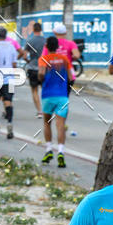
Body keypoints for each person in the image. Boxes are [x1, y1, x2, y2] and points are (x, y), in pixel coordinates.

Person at [38, 35, 71, 168]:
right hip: (62, 96)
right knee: (60, 125)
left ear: (46, 46)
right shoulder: (64, 59)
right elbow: (71, 77)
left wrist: (42, 79)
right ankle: (61, 152)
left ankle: (49, 149)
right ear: (57, 46)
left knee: (47, 122)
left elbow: (41, 73)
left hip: (47, 95)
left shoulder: (43, 59)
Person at [42, 22, 80, 97]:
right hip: (68, 74)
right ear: (65, 33)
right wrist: (71, 57)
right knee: (65, 97)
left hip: (53, 73)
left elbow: (44, 58)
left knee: (54, 97)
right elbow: (76, 55)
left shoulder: (49, 44)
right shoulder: (71, 43)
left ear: (54, 32)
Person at [22, 21, 45, 116]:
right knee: (45, 90)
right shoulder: (45, 41)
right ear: (41, 30)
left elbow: (24, 56)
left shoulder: (30, 41)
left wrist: (29, 61)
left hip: (33, 68)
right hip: (44, 68)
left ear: (33, 30)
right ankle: (47, 110)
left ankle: (39, 111)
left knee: (34, 90)